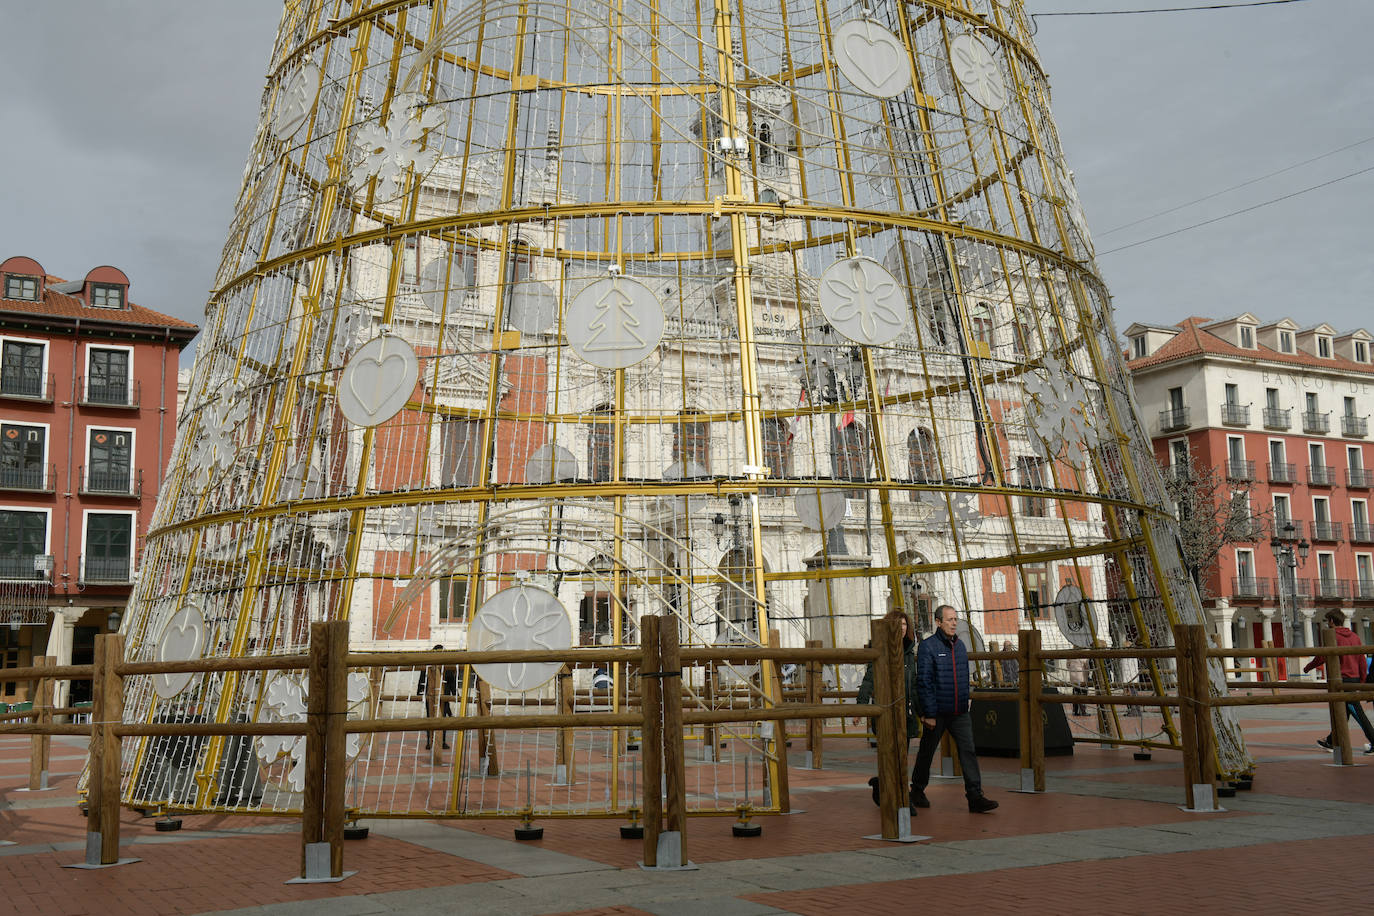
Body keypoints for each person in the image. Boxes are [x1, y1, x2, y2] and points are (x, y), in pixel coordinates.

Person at [911, 605, 998, 814]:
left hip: (959, 712)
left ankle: (975, 796)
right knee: (927, 752)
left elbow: (962, 676)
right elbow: (924, 681)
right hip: (937, 712)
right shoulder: (928, 647)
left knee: (968, 751)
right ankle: (917, 790)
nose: (953, 623)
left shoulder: (960, 647)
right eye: (949, 619)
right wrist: (929, 714)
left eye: (955, 619)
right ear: (938, 622)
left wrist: (965, 700)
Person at [854, 609, 921, 806]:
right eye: (897, 624)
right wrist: (861, 707)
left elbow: (914, 684)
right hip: (885, 712)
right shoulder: (880, 649)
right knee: (890, 757)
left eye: (904, 625)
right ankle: (899, 798)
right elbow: (868, 680)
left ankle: (893, 792)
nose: (901, 628)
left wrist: (922, 712)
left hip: (905, 714)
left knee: (902, 757)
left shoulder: (909, 652)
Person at [1303, 611, 1374, 754]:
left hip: (1340, 680)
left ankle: (1373, 740)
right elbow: (1361, 659)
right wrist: (1361, 680)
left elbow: (1322, 656)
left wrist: (1308, 667)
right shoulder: (1355, 637)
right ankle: (1331, 741)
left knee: (1357, 712)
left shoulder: (1332, 636)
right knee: (1343, 712)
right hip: (1354, 679)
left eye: (1327, 621)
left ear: (1331, 621)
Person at [417, 645, 457, 750]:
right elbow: (422, 678)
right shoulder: (428, 664)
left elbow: (452, 681)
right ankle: (430, 741)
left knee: (442, 719)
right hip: (430, 695)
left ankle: (442, 741)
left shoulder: (447, 665)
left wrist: (455, 693)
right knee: (430, 718)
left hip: (444, 696)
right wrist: (420, 692)